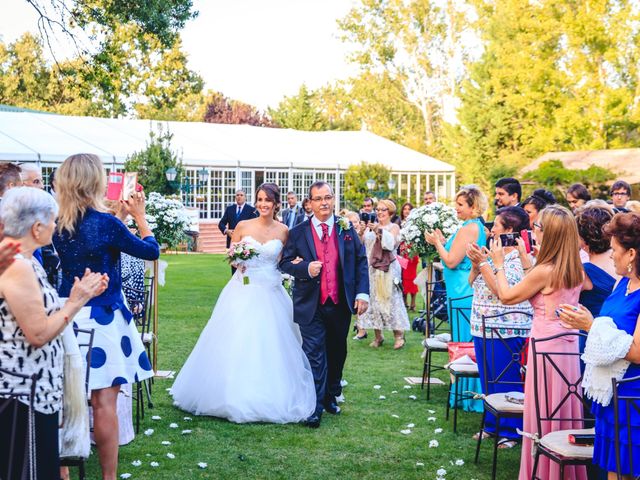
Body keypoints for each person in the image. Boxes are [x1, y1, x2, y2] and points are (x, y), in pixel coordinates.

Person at [52, 153, 159, 480]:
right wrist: (140, 218)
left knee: (66, 401)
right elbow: (150, 251)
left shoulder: (56, 226)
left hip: (66, 317)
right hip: (104, 319)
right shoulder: (107, 224)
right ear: (95, 182)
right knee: (104, 404)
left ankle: (64, 471)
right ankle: (108, 478)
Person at [172, 183, 316, 424]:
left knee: (273, 342)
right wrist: (238, 260)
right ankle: (230, 393)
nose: (262, 204)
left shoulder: (283, 231)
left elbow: (284, 261)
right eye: (259, 199)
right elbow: (231, 256)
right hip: (242, 289)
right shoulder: (242, 226)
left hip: (271, 290)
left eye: (267, 200)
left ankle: (269, 392)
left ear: (276, 204)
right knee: (236, 339)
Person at [0, 187, 107, 480]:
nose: (55, 227)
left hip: (35, 389)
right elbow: (37, 332)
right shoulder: (17, 266)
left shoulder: (27, 261)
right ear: (36, 227)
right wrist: (74, 303)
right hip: (23, 393)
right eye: (53, 221)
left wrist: (76, 296)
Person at [486, 204, 586, 480]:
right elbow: (547, 290)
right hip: (567, 348)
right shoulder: (573, 266)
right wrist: (526, 259)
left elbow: (506, 296)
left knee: (544, 411)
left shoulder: (546, 270)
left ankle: (545, 472)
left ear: (550, 234)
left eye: (537, 227)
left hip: (545, 348)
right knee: (563, 411)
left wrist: (497, 265)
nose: (532, 231)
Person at [280, 181, 369, 428]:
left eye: (328, 197)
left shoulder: (346, 229)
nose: (324, 203)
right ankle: (315, 406)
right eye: (318, 199)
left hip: (340, 302)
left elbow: (361, 261)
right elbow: (284, 263)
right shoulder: (298, 232)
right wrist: (304, 268)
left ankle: (331, 394)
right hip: (310, 304)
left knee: (337, 351)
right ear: (309, 203)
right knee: (315, 354)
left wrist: (363, 294)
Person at [558, 212, 640, 480]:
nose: (611, 254)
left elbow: (639, 352)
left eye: (615, 249)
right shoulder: (622, 284)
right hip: (610, 393)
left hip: (633, 396)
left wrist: (591, 326)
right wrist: (585, 321)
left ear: (631, 255)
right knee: (614, 469)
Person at [467, 206, 533, 448]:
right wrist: (476, 264)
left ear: (510, 230)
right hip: (482, 324)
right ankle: (491, 425)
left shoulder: (519, 258)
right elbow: (472, 282)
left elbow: (503, 292)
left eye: (496, 225)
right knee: (489, 380)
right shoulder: (491, 253)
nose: (491, 229)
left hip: (507, 328)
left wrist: (485, 263)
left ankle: (511, 431)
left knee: (506, 380)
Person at [424, 185, 488, 413]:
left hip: (463, 291)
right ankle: (465, 392)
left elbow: (451, 261)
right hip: (459, 289)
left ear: (473, 207)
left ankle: (469, 396)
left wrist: (436, 243)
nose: (456, 208)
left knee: (465, 344)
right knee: (463, 341)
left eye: (461, 204)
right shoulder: (470, 226)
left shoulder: (470, 228)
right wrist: (442, 240)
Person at [357, 199, 410, 349]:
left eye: (383, 210)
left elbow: (391, 243)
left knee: (391, 300)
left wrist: (378, 231)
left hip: (388, 269)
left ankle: (399, 336)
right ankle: (378, 336)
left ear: (390, 212)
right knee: (374, 301)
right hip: (371, 268)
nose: (379, 212)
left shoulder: (394, 227)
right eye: (378, 209)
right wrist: (361, 232)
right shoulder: (371, 227)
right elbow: (362, 244)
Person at [218, 190, 258, 272]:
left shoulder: (251, 210)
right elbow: (221, 223)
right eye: (237, 195)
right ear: (235, 197)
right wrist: (226, 231)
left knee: (245, 270)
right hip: (233, 244)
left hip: (246, 244)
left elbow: (254, 226)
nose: (239, 197)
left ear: (245, 197)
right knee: (234, 269)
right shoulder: (230, 209)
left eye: (241, 195)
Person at [399, 202, 419, 311]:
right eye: (405, 209)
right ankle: (404, 302)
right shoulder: (399, 223)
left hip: (412, 252)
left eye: (409, 209)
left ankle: (413, 303)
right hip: (402, 252)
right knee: (403, 278)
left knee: (412, 278)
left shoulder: (415, 224)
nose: (406, 211)